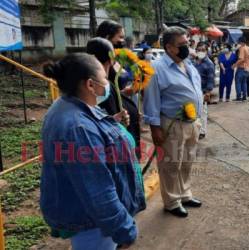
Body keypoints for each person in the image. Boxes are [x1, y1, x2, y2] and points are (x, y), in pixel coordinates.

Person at [41, 53, 146, 250]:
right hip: (95, 225)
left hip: (92, 220)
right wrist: (124, 230)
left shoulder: (70, 106)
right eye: (105, 78)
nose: (107, 84)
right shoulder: (78, 128)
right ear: (90, 85)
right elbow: (98, 190)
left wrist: (112, 122)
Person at [143, 27, 203, 218]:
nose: (187, 47)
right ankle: (172, 201)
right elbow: (151, 101)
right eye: (182, 45)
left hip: (192, 122)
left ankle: (185, 194)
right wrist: (155, 128)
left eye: (187, 43)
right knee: (170, 164)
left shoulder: (187, 63)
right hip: (171, 124)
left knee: (186, 162)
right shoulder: (157, 69)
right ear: (169, 47)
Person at [96, 22, 141, 157]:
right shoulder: (99, 63)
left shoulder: (117, 60)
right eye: (119, 37)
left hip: (126, 112)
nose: (122, 41)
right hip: (114, 113)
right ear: (107, 37)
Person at [233, 37, 249, 101]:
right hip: (248, 68)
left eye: (239, 42)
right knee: (244, 82)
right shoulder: (248, 48)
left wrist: (234, 65)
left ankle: (238, 97)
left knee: (238, 82)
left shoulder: (242, 48)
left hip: (241, 68)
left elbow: (241, 59)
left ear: (241, 42)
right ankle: (244, 96)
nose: (238, 43)